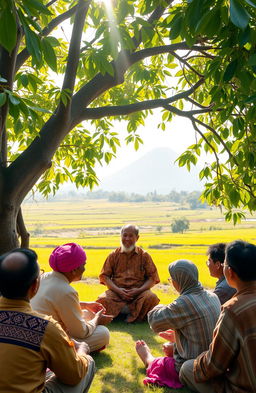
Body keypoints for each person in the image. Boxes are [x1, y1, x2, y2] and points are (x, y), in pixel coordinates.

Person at [0, 248, 95, 393]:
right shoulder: (44, 327)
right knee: (87, 363)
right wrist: (82, 351)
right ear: (35, 285)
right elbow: (74, 375)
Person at [180, 240, 256, 393]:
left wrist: (197, 359)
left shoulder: (233, 309)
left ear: (229, 272)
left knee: (187, 368)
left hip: (244, 388)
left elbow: (214, 365)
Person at [135, 259, 221, 388]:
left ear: (179, 281)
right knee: (171, 346)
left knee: (161, 365)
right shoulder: (212, 296)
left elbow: (154, 322)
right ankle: (174, 349)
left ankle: (149, 359)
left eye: (172, 279)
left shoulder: (184, 303)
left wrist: (164, 306)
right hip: (214, 360)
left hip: (195, 364)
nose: (172, 282)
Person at [31, 243, 112, 353]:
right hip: (48, 342)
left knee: (87, 313)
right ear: (74, 270)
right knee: (103, 333)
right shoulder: (67, 291)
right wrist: (98, 319)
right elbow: (81, 332)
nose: (85, 268)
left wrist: (85, 304)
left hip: (34, 334)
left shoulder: (44, 277)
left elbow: (54, 303)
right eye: (83, 264)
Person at [96, 224, 160, 322]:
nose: (127, 239)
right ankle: (131, 316)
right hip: (116, 293)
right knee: (102, 300)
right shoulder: (113, 255)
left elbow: (152, 278)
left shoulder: (144, 256)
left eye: (131, 236)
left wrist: (138, 290)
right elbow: (105, 276)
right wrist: (118, 291)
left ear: (137, 238)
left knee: (152, 298)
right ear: (121, 236)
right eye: (125, 235)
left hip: (139, 294)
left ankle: (123, 316)